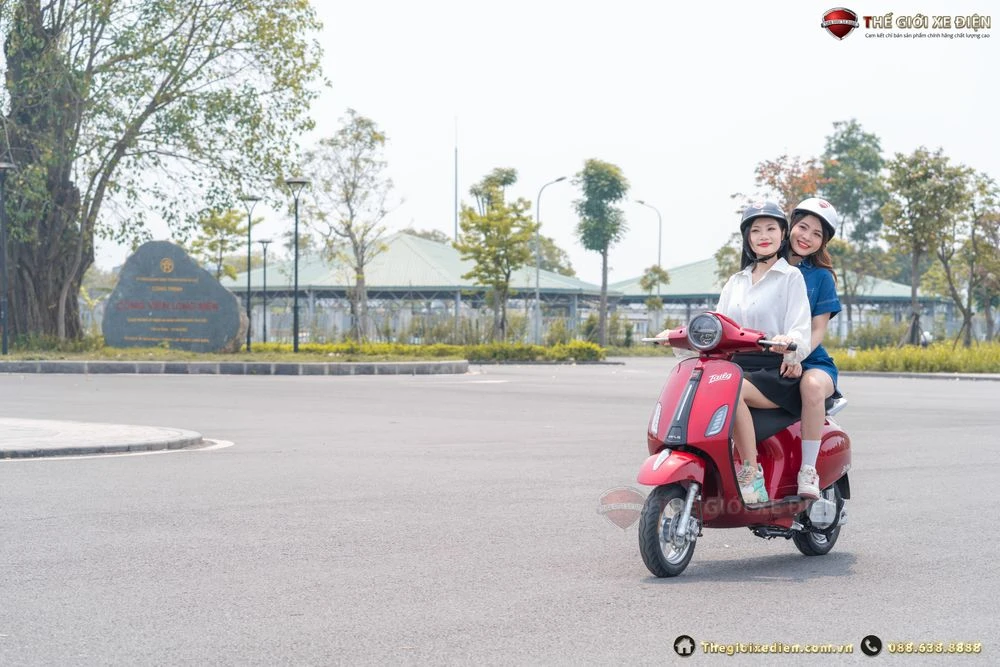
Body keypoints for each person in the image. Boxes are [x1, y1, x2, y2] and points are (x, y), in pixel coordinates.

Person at [715, 200, 812, 504]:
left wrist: (790, 343)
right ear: (747, 238)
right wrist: (678, 335)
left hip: (774, 370)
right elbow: (719, 325)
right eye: (755, 230)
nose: (763, 235)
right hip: (738, 366)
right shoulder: (735, 281)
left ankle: (751, 473)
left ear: (783, 235)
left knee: (730, 390)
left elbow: (800, 326)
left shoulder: (791, 277)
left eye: (771, 228)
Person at [783, 197, 843, 499]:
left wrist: (797, 354)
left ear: (823, 243)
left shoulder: (820, 278)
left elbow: (817, 329)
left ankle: (808, 469)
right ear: (791, 226)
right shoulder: (765, 266)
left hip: (810, 360)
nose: (807, 237)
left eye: (817, 234)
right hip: (768, 356)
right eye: (803, 227)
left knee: (812, 386)